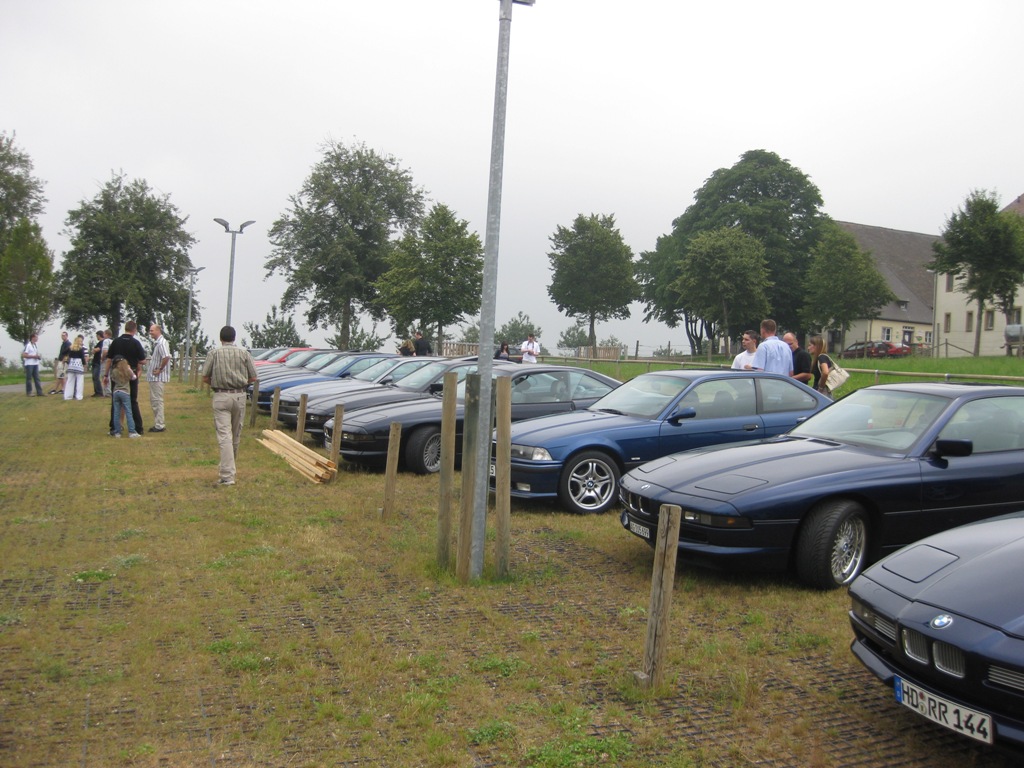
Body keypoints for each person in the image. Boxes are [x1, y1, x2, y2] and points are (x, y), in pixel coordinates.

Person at [201, 325, 258, 487]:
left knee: (224, 435)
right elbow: (253, 377)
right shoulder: (244, 353)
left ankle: (227, 474)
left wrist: (216, 383)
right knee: (235, 434)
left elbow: (205, 376)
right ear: (234, 338)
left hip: (221, 395)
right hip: (239, 395)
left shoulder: (214, 353)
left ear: (221, 338)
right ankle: (229, 469)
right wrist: (242, 382)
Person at [106, 321, 148, 435]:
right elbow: (143, 360)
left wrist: (105, 375)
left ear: (125, 328)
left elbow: (109, 359)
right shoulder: (135, 343)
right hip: (131, 372)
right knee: (133, 401)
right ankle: (138, 427)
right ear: (134, 330)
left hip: (117, 374)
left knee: (115, 402)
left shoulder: (116, 342)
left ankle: (114, 428)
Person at [147, 323, 171, 432]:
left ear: (158, 331)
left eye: (152, 330)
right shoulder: (159, 343)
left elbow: (166, 356)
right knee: (155, 400)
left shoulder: (161, 343)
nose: (150, 332)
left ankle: (159, 424)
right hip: (155, 377)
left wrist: (160, 369)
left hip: (158, 377)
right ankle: (158, 423)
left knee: (157, 401)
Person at [109, 356, 140, 438]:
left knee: (116, 413)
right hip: (125, 392)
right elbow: (134, 377)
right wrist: (129, 369)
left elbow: (112, 379)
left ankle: (117, 432)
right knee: (128, 412)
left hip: (116, 391)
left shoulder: (115, 371)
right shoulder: (127, 371)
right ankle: (132, 431)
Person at [809, 334, 836, 399]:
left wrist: (821, 388)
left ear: (817, 346)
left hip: (822, 392)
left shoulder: (821, 357)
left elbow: (825, 372)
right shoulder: (819, 358)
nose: (808, 348)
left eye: (810, 345)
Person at [63, 334, 88, 400]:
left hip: (71, 365)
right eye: (81, 341)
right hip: (78, 365)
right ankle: (79, 396)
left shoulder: (71, 348)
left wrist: (67, 357)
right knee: (79, 381)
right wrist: (84, 365)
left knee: (70, 381)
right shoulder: (81, 349)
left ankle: (68, 396)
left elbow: (63, 352)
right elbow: (82, 358)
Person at [90, 331, 105, 396]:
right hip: (95, 361)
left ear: (99, 335)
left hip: (98, 362)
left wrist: (94, 349)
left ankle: (99, 392)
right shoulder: (99, 343)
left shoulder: (102, 342)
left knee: (96, 377)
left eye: (97, 335)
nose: (96, 337)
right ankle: (96, 391)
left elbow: (98, 349)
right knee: (94, 377)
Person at [100, 329, 113, 396]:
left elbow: (105, 351)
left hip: (106, 360)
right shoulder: (113, 341)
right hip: (112, 360)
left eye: (104, 334)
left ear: (107, 334)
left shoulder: (105, 341)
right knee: (111, 375)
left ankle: (107, 392)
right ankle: (111, 390)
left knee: (105, 375)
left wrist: (102, 358)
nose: (103, 335)